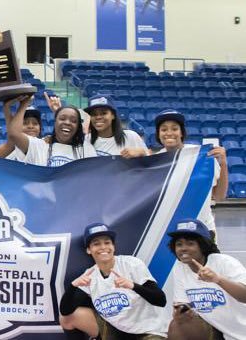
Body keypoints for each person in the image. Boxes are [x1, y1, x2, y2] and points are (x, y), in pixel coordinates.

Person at [59, 223, 168, 339]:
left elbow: (161, 300)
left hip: (147, 330)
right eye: (96, 244)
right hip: (117, 332)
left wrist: (133, 286)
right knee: (66, 319)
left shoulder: (132, 264)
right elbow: (66, 311)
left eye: (107, 242)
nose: (103, 247)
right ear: (88, 250)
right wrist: (73, 286)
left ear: (113, 247)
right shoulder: (90, 275)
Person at [151, 110, 228, 238]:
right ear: (158, 135)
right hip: (167, 230)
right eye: (164, 130)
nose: (169, 133)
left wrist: (224, 164)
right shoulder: (155, 161)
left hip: (202, 228)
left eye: (174, 129)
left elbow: (219, 196)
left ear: (182, 133)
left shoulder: (202, 156)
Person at [166, 218, 246, 340]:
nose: (183, 248)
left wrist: (218, 279)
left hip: (241, 330)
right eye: (179, 244)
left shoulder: (224, 262)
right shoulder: (179, 268)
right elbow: (182, 303)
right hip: (214, 329)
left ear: (202, 246)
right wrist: (181, 314)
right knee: (177, 326)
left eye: (190, 243)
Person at [7, 96, 96, 167]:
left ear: (78, 127)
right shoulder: (39, 145)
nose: (67, 123)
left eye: (73, 121)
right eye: (62, 119)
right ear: (54, 122)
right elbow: (14, 133)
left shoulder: (87, 149)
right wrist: (23, 104)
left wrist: (59, 111)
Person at [84, 95, 149, 157]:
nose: (98, 117)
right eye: (94, 114)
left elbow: (150, 161)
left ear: (113, 115)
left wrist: (142, 153)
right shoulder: (85, 140)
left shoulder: (131, 136)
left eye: (104, 113)